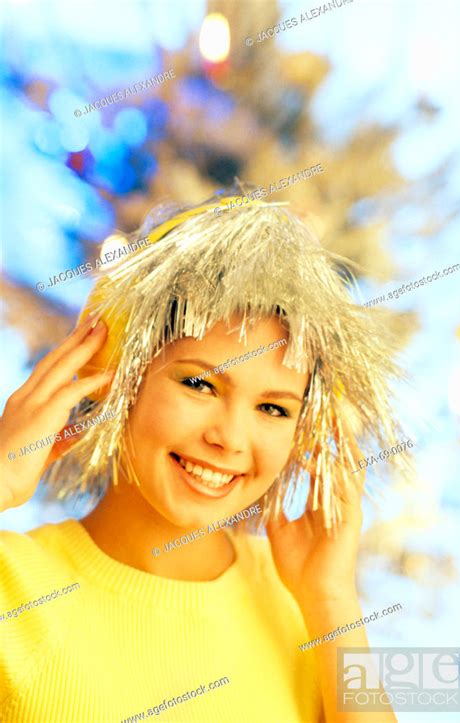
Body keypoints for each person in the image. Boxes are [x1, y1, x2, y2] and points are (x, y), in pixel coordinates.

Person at [0, 189, 401, 722]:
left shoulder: (308, 603)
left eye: (274, 409)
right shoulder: (16, 588)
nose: (231, 439)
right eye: (199, 384)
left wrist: (331, 602)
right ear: (115, 371)